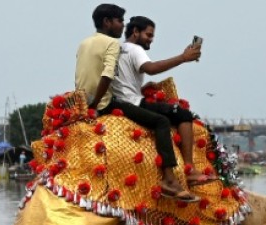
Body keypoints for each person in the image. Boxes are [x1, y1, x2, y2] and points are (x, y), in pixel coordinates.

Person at [75, 4, 197, 202]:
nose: (122, 25)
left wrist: (85, 102)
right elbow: (110, 75)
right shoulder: (116, 45)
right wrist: (183, 58)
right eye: (119, 21)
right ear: (108, 22)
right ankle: (174, 177)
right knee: (165, 120)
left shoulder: (85, 43)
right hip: (109, 102)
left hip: (84, 99)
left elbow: (89, 74)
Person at [111, 16, 210, 185]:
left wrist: (142, 88)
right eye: (149, 35)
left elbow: (121, 82)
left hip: (120, 101)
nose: (151, 40)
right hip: (133, 103)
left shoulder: (117, 49)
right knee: (183, 114)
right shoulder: (135, 49)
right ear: (135, 32)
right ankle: (189, 169)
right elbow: (151, 68)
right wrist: (183, 58)